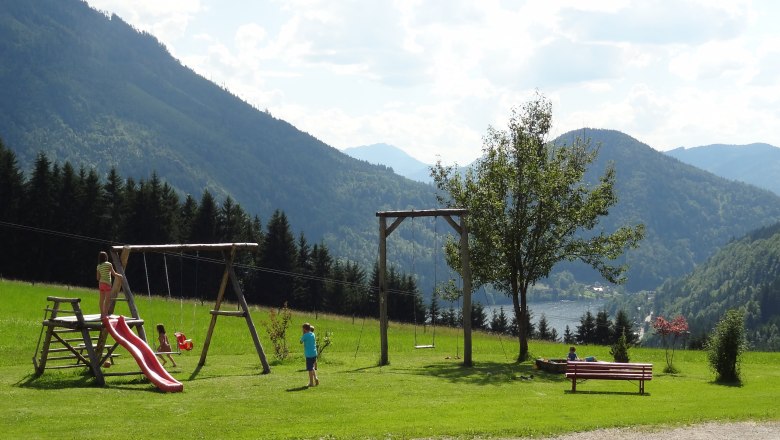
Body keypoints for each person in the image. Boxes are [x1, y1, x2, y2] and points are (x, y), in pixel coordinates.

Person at [96, 251, 122, 319]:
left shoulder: (98, 266)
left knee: (101, 300)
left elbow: (98, 278)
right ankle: (105, 314)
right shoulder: (109, 264)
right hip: (107, 284)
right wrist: (120, 276)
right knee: (107, 300)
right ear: (106, 257)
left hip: (101, 284)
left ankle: (102, 314)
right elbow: (114, 274)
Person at [300, 322, 319, 386]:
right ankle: (316, 378)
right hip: (314, 353)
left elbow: (301, 341)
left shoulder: (305, 335)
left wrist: (303, 334)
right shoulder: (313, 334)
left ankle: (311, 382)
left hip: (309, 354)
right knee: (312, 367)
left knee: (310, 369)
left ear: (305, 329)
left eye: (303, 329)